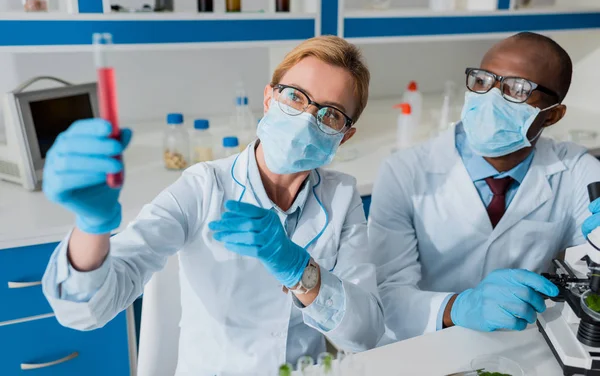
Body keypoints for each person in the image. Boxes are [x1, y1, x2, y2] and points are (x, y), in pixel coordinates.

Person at [41, 36, 384, 375]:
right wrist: (91, 224)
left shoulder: (341, 195)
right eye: (295, 96)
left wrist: (300, 271)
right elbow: (87, 311)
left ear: (345, 135)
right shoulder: (203, 186)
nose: (307, 119)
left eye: (330, 114)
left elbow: (365, 334)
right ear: (268, 98)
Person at [370, 32, 600, 341]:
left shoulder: (574, 170)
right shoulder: (404, 172)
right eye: (483, 81)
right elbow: (386, 298)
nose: (490, 96)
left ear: (553, 115)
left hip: (519, 342)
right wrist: (460, 306)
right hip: (423, 343)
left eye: (517, 89)